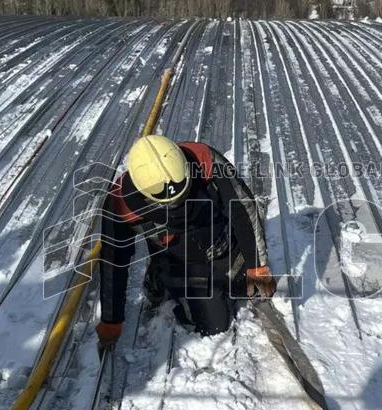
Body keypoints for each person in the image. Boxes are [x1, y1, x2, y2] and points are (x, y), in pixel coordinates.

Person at [96, 135, 275, 349]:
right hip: (183, 261)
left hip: (222, 240)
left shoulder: (204, 159)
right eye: (171, 202)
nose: (179, 203)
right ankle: (159, 275)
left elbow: (241, 207)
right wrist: (111, 320)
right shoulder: (119, 204)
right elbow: (113, 262)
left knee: (245, 288)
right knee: (214, 327)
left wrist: (258, 265)